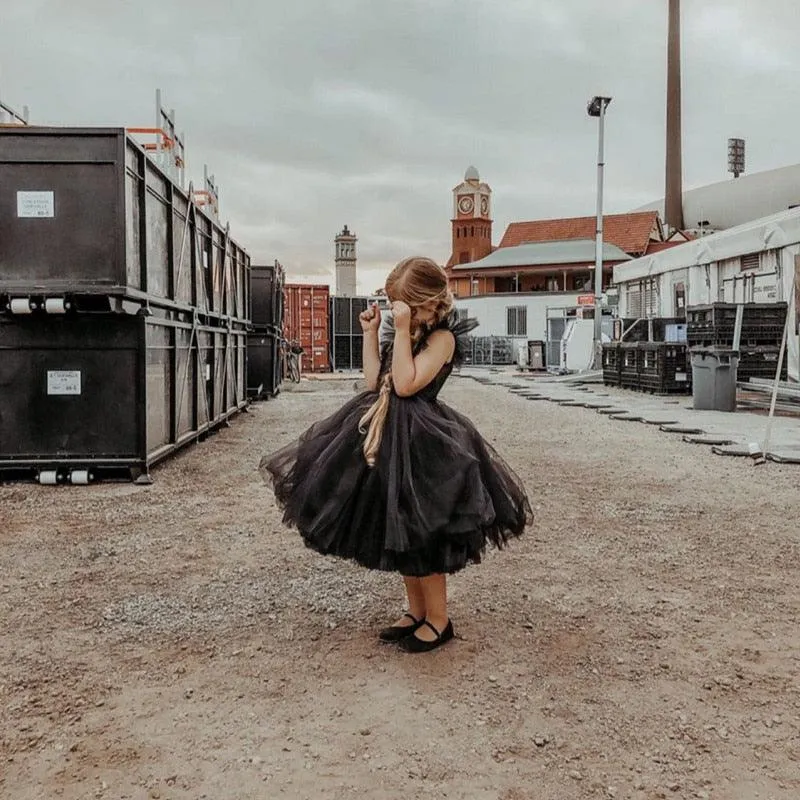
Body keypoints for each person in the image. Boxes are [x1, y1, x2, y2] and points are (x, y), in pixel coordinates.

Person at [260, 256, 531, 653]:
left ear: (429, 303)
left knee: (425, 532)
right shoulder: (407, 332)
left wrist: (402, 330)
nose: (397, 312)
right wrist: (373, 334)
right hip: (389, 436)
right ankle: (415, 610)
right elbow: (376, 381)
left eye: (405, 305)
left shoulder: (442, 339)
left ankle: (438, 618)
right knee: (399, 526)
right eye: (394, 305)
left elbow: (405, 385)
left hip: (423, 442)